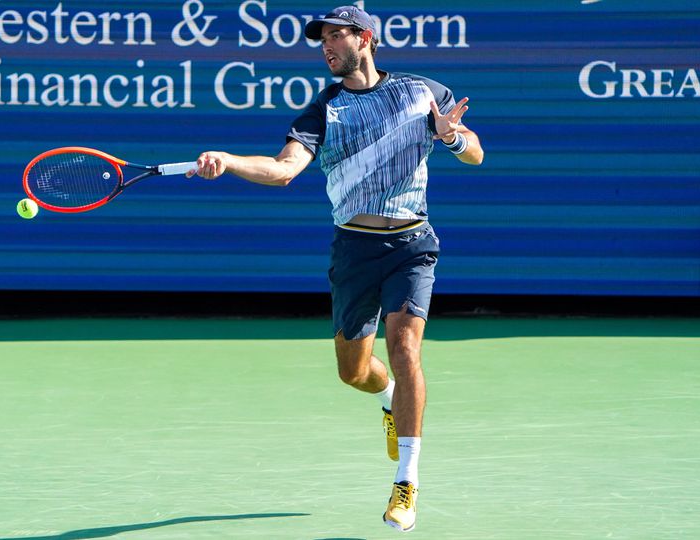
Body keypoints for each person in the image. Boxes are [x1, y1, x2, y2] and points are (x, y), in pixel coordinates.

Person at [189, 5, 484, 532]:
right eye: (321, 40)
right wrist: (229, 160)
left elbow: (475, 155)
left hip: (413, 244)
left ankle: (407, 481)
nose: (325, 46)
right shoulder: (322, 111)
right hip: (353, 250)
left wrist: (451, 137)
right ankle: (390, 399)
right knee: (354, 372)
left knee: (406, 348)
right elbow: (282, 171)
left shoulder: (422, 92)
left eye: (335, 36)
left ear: (364, 39)